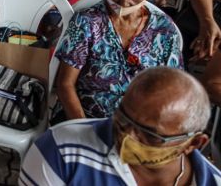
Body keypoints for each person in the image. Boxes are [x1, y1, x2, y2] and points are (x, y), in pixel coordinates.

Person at [21, 67, 220, 186]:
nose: (128, 136)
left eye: (149, 134)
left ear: (193, 142)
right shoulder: (63, 150)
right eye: (123, 118)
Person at [55, 0, 182, 121]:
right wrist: (85, 129)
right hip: (88, 118)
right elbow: (65, 84)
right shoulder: (87, 22)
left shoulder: (164, 29)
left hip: (141, 124)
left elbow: (172, 87)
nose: (124, 1)